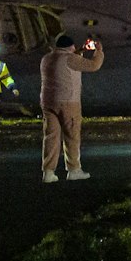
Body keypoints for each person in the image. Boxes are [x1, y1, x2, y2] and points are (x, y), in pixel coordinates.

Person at [39, 32, 103, 183]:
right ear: (70, 47)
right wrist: (98, 51)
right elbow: (94, 66)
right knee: (72, 136)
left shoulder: (47, 58)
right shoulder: (71, 59)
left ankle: (48, 172)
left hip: (48, 102)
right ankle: (74, 170)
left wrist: (79, 51)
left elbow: (67, 58)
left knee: (51, 137)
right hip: (68, 102)